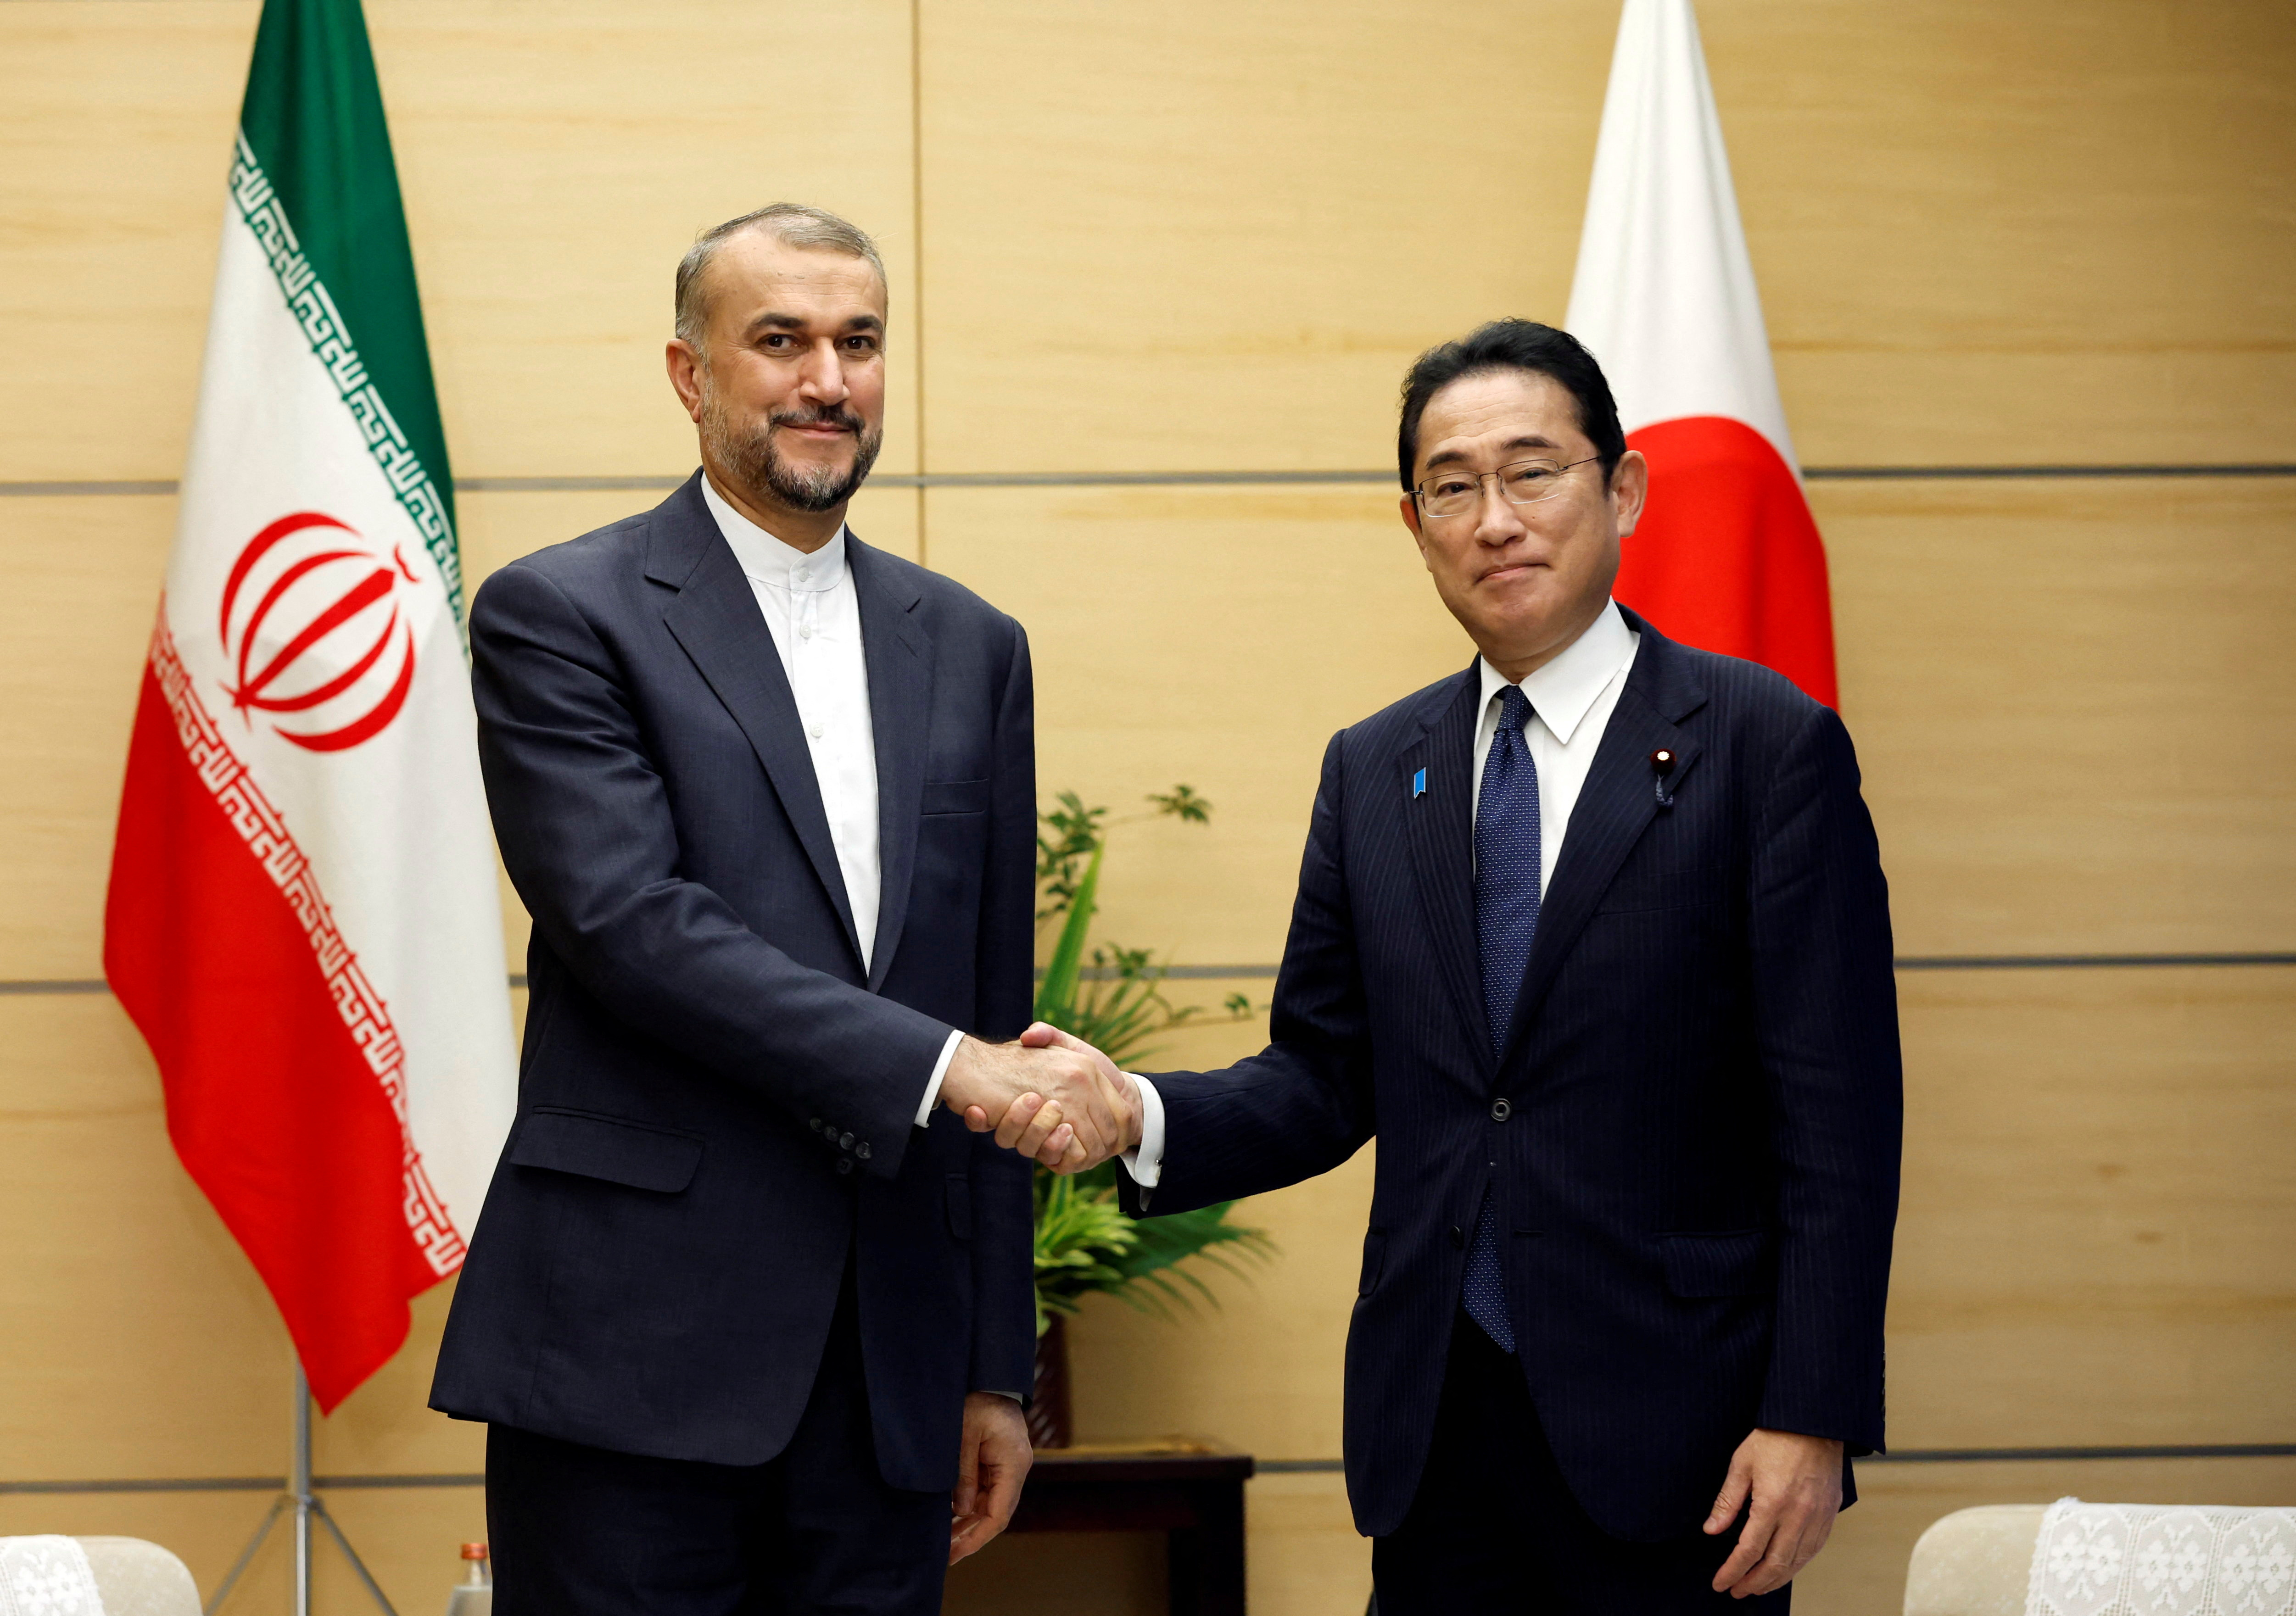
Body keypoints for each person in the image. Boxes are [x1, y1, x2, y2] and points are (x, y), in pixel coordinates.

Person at [998, 320, 1902, 1611]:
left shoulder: (1764, 748)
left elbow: (1839, 1120)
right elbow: (1322, 1073)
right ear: (1413, 520)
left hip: (1683, 1436)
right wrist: (1128, 1111)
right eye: (1452, 485)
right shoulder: (1377, 768)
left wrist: (1809, 1413)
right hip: (1436, 1427)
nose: (1495, 519)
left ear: (1622, 489)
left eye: (1533, 472)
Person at [429, 204, 1134, 1616]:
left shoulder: (976, 647)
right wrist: (943, 1068)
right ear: (692, 376)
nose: (828, 379)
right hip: (631, 1362)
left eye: (858, 342)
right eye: (782, 340)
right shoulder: (560, 614)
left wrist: (993, 1364)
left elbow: (998, 1005)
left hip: (887, 1388)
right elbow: (632, 925)